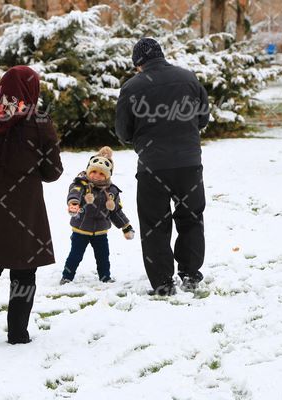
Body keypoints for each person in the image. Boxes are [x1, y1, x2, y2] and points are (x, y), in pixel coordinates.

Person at [0, 65, 63, 345]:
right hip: (24, 204)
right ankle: (18, 332)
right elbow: (53, 171)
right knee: (24, 269)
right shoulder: (38, 121)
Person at [115, 38, 210, 296]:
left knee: (154, 224)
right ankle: (190, 273)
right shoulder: (189, 79)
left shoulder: (131, 87)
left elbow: (123, 131)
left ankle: (162, 282)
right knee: (191, 218)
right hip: (189, 163)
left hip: (152, 166)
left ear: (138, 63)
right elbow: (203, 119)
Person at [60, 146, 135, 285]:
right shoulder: (81, 185)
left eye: (101, 173)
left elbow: (116, 211)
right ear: (88, 170)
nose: (96, 175)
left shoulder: (112, 191)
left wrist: (126, 226)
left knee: (103, 256)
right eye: (93, 171)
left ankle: (105, 277)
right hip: (81, 229)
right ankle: (67, 277)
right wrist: (74, 203)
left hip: (100, 231)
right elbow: (75, 193)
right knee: (75, 255)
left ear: (108, 175)